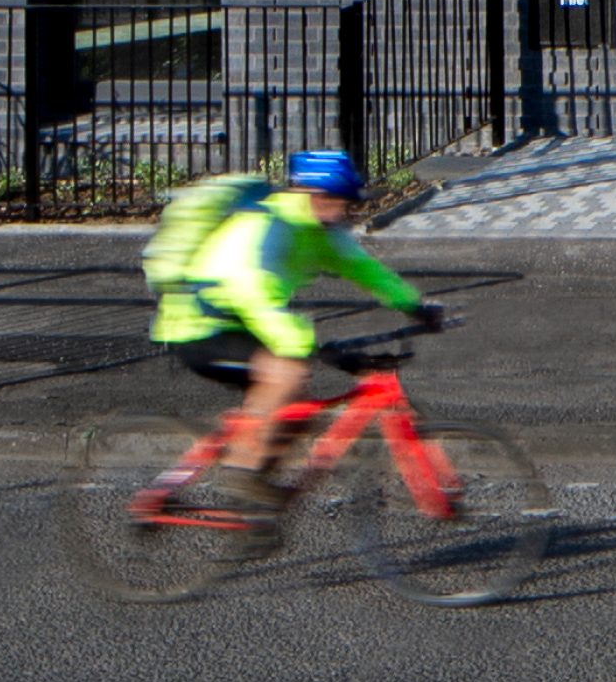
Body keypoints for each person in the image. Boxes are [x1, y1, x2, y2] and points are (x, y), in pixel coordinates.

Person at [152, 148, 440, 497]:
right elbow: (252, 290)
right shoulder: (268, 225)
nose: (343, 211)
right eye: (336, 200)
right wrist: (302, 345)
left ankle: (258, 506)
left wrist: (413, 304)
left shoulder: (319, 230)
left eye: (346, 202)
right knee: (286, 374)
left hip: (244, 324)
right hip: (201, 324)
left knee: (299, 410)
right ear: (310, 194)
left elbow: (363, 268)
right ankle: (241, 477)